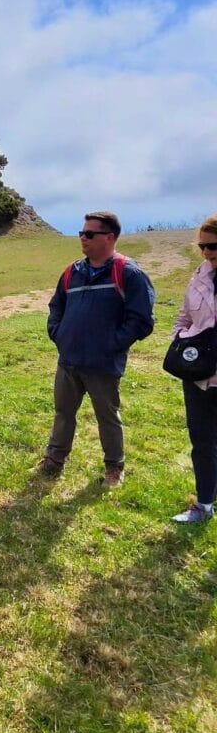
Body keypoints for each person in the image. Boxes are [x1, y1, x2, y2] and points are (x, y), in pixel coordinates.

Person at [37, 211, 155, 487]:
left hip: (103, 364)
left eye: (89, 234)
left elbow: (141, 321)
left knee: (107, 416)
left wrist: (111, 344)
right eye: (81, 233)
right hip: (69, 360)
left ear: (109, 237)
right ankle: (54, 460)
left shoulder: (128, 273)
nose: (83, 238)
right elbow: (56, 307)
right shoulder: (72, 272)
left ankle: (114, 467)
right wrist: (59, 334)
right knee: (63, 412)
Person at [170, 215, 217, 523]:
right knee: (202, 441)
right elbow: (184, 315)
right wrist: (180, 340)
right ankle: (204, 504)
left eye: (212, 246)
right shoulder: (199, 276)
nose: (206, 252)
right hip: (198, 375)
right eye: (202, 246)